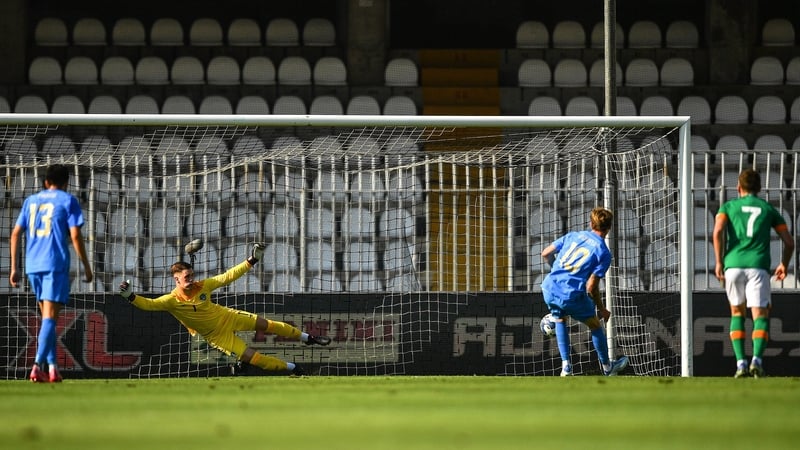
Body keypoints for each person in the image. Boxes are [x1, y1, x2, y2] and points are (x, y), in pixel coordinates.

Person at [118, 243, 331, 376]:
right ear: (176, 280)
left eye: (191, 275)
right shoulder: (171, 300)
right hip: (216, 336)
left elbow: (228, 276)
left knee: (269, 325)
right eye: (186, 277)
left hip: (227, 316)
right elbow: (149, 304)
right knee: (255, 359)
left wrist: (252, 259)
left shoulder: (204, 285)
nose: (191, 279)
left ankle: (309, 338)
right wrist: (130, 296)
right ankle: (293, 368)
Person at [9, 164, 94, 383]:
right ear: (66, 183)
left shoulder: (31, 201)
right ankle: (37, 366)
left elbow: (16, 233)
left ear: (46, 182)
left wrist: (14, 267)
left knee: (49, 318)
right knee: (49, 318)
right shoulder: (68, 201)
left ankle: (53, 368)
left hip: (32, 265)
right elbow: (75, 236)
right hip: (54, 264)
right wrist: (85, 265)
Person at [712, 168, 794, 378]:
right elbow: (789, 242)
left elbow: (718, 231)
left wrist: (719, 261)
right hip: (758, 266)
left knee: (737, 313)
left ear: (738, 188)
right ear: (758, 188)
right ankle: (756, 362)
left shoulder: (728, 206)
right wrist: (784, 264)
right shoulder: (767, 208)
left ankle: (740, 364)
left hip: (733, 266)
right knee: (760, 315)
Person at [540, 206, 629, 376]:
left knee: (559, 319)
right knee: (595, 325)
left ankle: (566, 367)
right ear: (609, 228)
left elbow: (545, 253)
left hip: (549, 287)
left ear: (590, 223)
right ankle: (608, 368)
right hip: (570, 294)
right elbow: (591, 286)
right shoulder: (603, 252)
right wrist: (601, 308)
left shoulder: (574, 235)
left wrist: (557, 272)